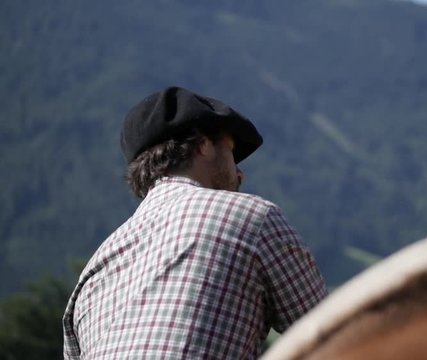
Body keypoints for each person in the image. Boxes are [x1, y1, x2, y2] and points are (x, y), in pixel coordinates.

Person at [62, 86, 328, 359]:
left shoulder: (93, 272)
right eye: (231, 152)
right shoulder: (250, 217)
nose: (240, 173)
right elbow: (339, 334)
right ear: (202, 145)